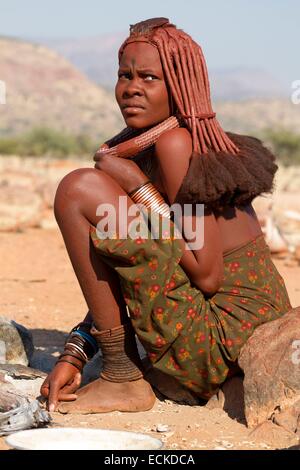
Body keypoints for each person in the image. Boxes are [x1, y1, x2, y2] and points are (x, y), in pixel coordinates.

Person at [40, 18, 291, 414]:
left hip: (225, 338)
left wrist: (139, 187)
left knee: (79, 190)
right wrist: (75, 351)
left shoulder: (176, 144)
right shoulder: (159, 142)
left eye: (150, 77)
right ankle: (120, 369)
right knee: (92, 193)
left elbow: (206, 274)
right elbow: (136, 262)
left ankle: (123, 378)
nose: (131, 88)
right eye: (125, 75)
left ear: (178, 85)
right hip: (237, 333)